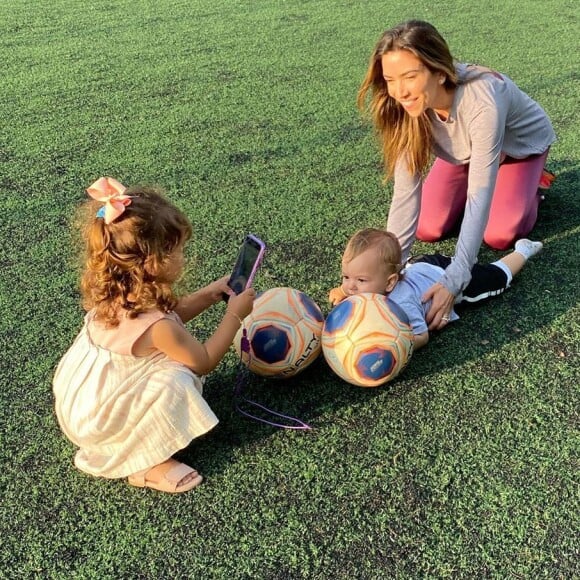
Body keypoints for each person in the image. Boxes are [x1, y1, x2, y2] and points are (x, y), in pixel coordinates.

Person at [53, 177, 255, 494]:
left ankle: (123, 439)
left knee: (169, 363)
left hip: (82, 408)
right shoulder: (158, 326)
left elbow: (172, 314)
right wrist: (234, 315)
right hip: (102, 423)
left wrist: (212, 294)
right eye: (177, 251)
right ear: (153, 261)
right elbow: (202, 361)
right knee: (178, 376)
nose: (183, 258)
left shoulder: (121, 293)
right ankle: (145, 464)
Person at [358, 20, 556, 332]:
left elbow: (479, 193)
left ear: (439, 71)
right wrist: (390, 272)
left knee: (500, 234)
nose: (399, 91)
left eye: (410, 76)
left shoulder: (483, 101)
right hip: (463, 153)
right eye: (390, 79)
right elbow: (406, 191)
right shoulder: (405, 106)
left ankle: (536, 186)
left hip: (519, 148)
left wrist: (456, 278)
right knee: (429, 226)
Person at [329, 228, 543, 349]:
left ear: (390, 283)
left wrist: (394, 344)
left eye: (360, 281)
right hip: (419, 264)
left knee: (494, 279)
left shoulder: (402, 304)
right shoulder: (366, 288)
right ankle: (463, 260)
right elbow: (353, 288)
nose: (350, 286)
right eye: (346, 277)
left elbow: (422, 335)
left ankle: (522, 251)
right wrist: (343, 291)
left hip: (444, 278)